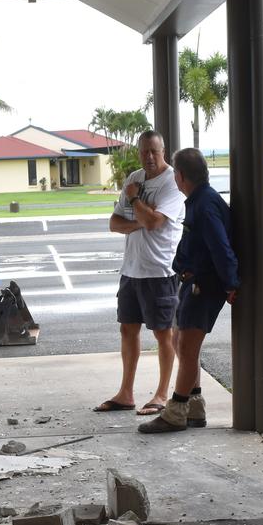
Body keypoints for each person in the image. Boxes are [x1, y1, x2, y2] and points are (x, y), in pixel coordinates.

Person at [138, 147, 239, 434]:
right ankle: (194, 406)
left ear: (180, 176)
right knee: (182, 341)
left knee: (187, 347)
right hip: (195, 282)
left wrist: (231, 284)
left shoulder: (205, 205)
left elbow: (221, 248)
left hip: (203, 285)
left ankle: (176, 411)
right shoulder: (200, 200)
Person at [94, 130, 185, 416]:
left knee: (163, 333)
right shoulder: (134, 179)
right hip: (131, 269)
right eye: (144, 151)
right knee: (127, 329)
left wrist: (135, 203)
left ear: (163, 151)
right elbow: (114, 223)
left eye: (154, 152)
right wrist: (141, 219)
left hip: (160, 270)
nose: (148, 157)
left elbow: (156, 223)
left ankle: (161, 394)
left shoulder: (172, 183)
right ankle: (126, 393)